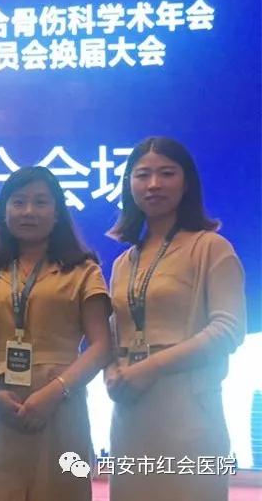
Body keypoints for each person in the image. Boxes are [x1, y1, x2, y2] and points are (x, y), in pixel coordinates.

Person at [105, 136, 246, 501]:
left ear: (186, 183)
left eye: (167, 173)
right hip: (131, 410)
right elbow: (114, 331)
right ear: (129, 185)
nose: (153, 184)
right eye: (142, 175)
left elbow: (228, 330)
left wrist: (150, 367)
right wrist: (111, 371)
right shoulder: (124, 262)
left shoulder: (210, 247)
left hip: (189, 410)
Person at [0, 166, 112, 501]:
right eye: (18, 202)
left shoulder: (83, 269)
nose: (28, 211)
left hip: (61, 402)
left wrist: (55, 392)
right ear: (4, 212)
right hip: (1, 405)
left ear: (57, 212)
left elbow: (102, 345)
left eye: (41, 202)